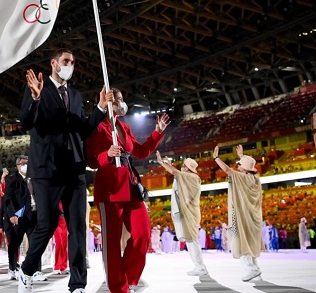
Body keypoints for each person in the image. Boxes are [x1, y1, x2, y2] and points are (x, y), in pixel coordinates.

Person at [18, 49, 108, 293]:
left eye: (73, 62)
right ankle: (26, 270)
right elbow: (26, 123)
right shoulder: (38, 88)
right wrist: (35, 99)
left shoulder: (76, 96)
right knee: (46, 225)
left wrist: (99, 109)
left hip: (75, 170)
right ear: (54, 63)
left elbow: (82, 130)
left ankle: (77, 285)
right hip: (47, 170)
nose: (71, 65)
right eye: (67, 61)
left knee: (78, 228)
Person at [86, 88, 169, 293]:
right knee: (112, 244)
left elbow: (140, 152)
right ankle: (118, 288)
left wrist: (157, 132)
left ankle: (128, 278)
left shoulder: (124, 127)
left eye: (122, 99)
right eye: (118, 100)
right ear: (109, 103)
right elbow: (90, 160)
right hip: (110, 190)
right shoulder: (97, 127)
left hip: (131, 187)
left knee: (143, 234)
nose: (122, 103)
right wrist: (106, 154)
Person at [213, 144, 264, 282]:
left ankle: (252, 269)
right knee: (250, 243)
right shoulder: (255, 178)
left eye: (240, 164)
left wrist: (216, 158)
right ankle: (255, 270)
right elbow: (246, 167)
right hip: (253, 217)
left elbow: (228, 170)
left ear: (245, 168)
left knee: (242, 242)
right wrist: (242, 156)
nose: (238, 166)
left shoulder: (243, 177)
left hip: (244, 216)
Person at [155, 151, 208, 276]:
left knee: (192, 240)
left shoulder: (193, 177)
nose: (182, 167)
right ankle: (198, 266)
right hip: (187, 212)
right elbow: (177, 177)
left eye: (184, 166)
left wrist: (162, 163)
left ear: (189, 169)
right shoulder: (189, 177)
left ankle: (201, 267)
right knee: (190, 241)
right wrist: (170, 164)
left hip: (190, 213)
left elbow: (175, 173)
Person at [2, 155, 38, 280]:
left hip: (33, 214)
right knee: (15, 243)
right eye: (23, 163)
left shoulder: (33, 178)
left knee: (35, 244)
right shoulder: (12, 179)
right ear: (18, 166)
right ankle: (12, 268)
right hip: (19, 215)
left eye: (27, 163)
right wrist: (12, 214)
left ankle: (35, 270)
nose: (25, 165)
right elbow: (8, 198)